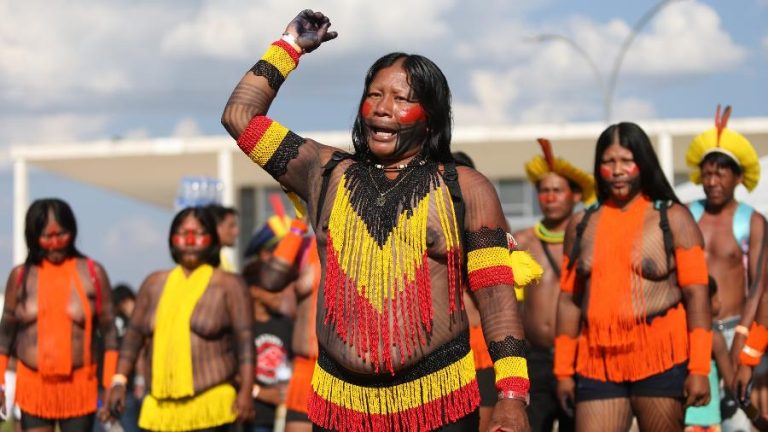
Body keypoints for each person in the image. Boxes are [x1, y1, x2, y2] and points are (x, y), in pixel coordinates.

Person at [221, 9, 529, 431]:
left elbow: (496, 300)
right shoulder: (322, 170)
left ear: (432, 115)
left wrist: (512, 397)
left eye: (403, 99)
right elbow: (240, 117)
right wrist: (290, 46)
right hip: (340, 404)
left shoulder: (467, 188)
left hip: (437, 403)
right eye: (374, 94)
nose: (383, 109)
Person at [554, 122, 712, 431]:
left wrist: (700, 368)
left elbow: (697, 295)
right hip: (597, 363)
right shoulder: (581, 225)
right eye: (608, 162)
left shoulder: (674, 218)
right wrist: (562, 371)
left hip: (662, 360)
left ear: (644, 162)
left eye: (627, 160)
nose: (617, 170)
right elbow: (569, 301)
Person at [106, 207, 255, 431]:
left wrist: (246, 392)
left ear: (212, 239)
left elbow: (245, 343)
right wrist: (119, 380)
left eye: (198, 234)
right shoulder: (153, 284)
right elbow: (133, 337)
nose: (190, 241)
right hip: (159, 410)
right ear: (172, 239)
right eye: (183, 234)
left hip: (213, 406)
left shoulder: (229, 285)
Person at [0, 198, 119, 432]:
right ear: (33, 237)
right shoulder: (21, 277)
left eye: (61, 235)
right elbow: (4, 337)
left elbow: (110, 332)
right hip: (33, 387)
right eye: (47, 237)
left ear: (72, 232)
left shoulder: (92, 273)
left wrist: (110, 384)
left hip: (79, 386)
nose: (55, 244)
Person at [685, 105, 768, 431]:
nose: (712, 181)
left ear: (737, 176)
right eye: (707, 173)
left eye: (720, 173)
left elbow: (759, 286)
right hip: (694, 333)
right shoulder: (686, 215)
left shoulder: (753, 221)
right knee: (695, 419)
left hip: (737, 328)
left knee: (739, 419)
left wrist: (743, 341)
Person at [513, 138, 595, 432]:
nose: (549, 198)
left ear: (575, 195)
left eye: (557, 191)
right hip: (533, 357)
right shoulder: (522, 241)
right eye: (543, 191)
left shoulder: (587, 240)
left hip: (579, 357)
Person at [242, 259, 294, 432]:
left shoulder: (286, 324)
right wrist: (260, 393)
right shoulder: (242, 327)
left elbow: (294, 362)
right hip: (252, 418)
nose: (279, 293)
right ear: (255, 291)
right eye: (273, 288)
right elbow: (232, 371)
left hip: (283, 418)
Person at [685, 277, 736, 432]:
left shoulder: (681, 335)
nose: (719, 303)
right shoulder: (715, 338)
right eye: (716, 298)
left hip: (679, 418)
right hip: (706, 422)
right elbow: (731, 383)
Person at [207, 204, 240, 272]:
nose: (236, 231)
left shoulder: (223, 259)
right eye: (231, 226)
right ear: (217, 228)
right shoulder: (209, 261)